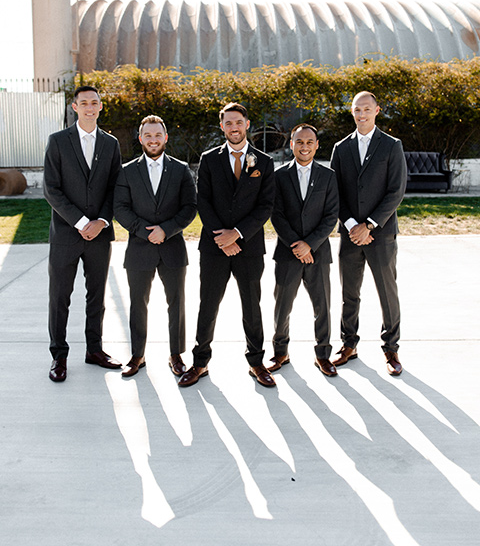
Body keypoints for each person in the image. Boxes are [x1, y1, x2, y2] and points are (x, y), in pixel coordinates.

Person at [179, 102, 276, 388]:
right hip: (214, 247)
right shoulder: (209, 159)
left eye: (239, 122)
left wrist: (237, 234)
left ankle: (257, 362)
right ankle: (199, 363)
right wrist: (222, 237)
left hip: (249, 248)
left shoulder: (264, 162)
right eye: (228, 123)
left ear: (247, 124)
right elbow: (203, 201)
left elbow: (265, 206)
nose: (234, 127)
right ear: (222, 127)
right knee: (207, 305)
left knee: (252, 305)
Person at [44, 85, 122, 382]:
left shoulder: (110, 143)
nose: (90, 107)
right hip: (66, 234)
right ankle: (59, 356)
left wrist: (100, 221)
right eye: (84, 103)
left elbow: (116, 187)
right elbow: (52, 189)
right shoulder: (58, 141)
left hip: (100, 235)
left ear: (101, 107)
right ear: (75, 107)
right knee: (60, 296)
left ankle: (94, 349)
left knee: (96, 295)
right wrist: (80, 222)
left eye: (95, 103)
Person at [330, 90, 407, 375]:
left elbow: (396, 191)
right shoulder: (341, 147)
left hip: (381, 234)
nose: (361, 114)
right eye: (356, 110)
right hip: (350, 234)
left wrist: (370, 225)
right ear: (352, 112)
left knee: (387, 292)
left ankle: (391, 349)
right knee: (349, 293)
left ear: (377, 110)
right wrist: (352, 225)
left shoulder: (391, 145)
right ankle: (348, 344)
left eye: (366, 109)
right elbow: (335, 192)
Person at [114, 115, 197, 377]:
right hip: (139, 249)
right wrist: (144, 232)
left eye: (157, 135)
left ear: (165, 138)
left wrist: (167, 230)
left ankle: (176, 354)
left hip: (173, 248)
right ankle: (137, 355)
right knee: (138, 303)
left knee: (177, 303)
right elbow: (120, 208)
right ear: (140, 139)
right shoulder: (127, 171)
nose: (153, 140)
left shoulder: (181, 169)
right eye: (147, 135)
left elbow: (190, 207)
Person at [269, 124, 339, 376]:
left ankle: (323, 354)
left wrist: (310, 244)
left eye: (310, 142)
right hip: (288, 254)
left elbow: (331, 215)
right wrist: (296, 245)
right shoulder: (279, 176)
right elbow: (276, 214)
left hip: (318, 253)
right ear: (291, 144)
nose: (305, 146)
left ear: (317, 145)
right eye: (299, 142)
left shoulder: (328, 176)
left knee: (322, 306)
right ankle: (280, 353)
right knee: (282, 306)